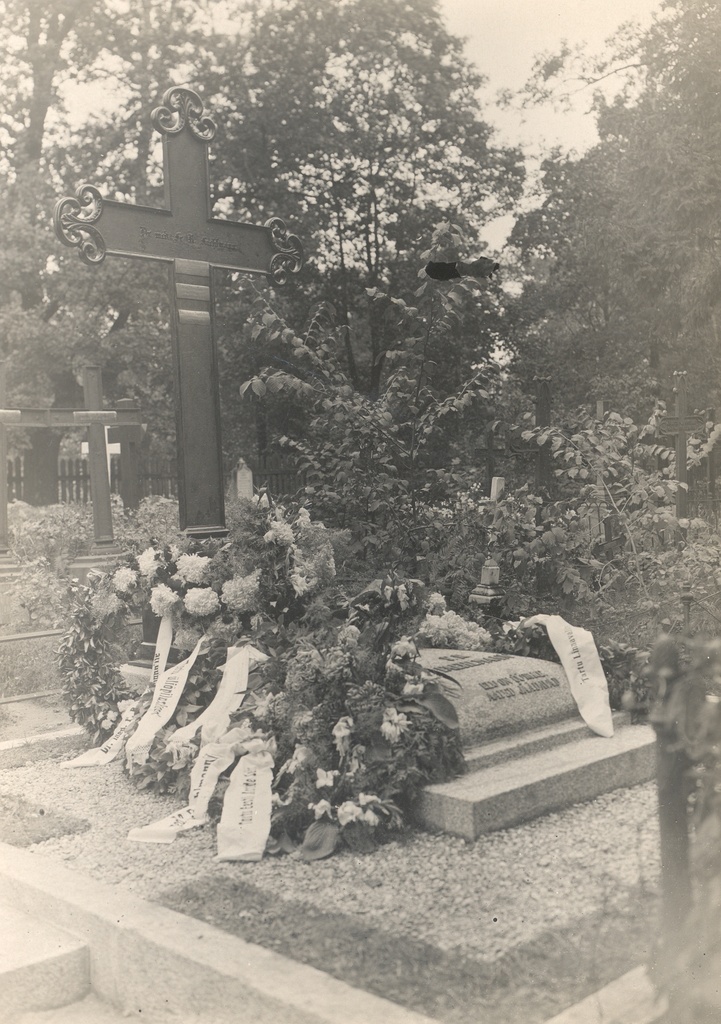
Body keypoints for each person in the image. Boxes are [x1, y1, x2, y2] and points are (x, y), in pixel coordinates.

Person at [425, 255, 499, 281]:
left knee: (445, 272)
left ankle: (433, 270)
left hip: (459, 269)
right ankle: (433, 270)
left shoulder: (484, 271)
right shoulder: (484, 268)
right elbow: (474, 264)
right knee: (445, 272)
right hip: (460, 269)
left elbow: (475, 267)